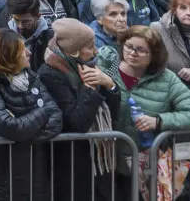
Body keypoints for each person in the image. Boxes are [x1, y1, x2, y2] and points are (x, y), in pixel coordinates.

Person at [37, 18, 133, 201]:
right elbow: (76, 122)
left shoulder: (89, 67)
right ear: (73, 51)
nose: (95, 51)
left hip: (99, 156)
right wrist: (90, 88)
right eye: (90, 47)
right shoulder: (50, 74)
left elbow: (112, 112)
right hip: (70, 160)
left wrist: (110, 85)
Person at [111, 25, 190, 199]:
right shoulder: (108, 69)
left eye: (141, 50)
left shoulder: (167, 78)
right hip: (107, 163)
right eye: (129, 46)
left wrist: (158, 121)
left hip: (144, 164)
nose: (132, 53)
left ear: (154, 55)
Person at [0, 28, 64, 201]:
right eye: (23, 50)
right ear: (7, 55)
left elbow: (56, 118)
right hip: (2, 180)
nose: (29, 53)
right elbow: (9, 126)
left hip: (35, 173)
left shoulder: (31, 76)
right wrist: (42, 112)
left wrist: (23, 134)